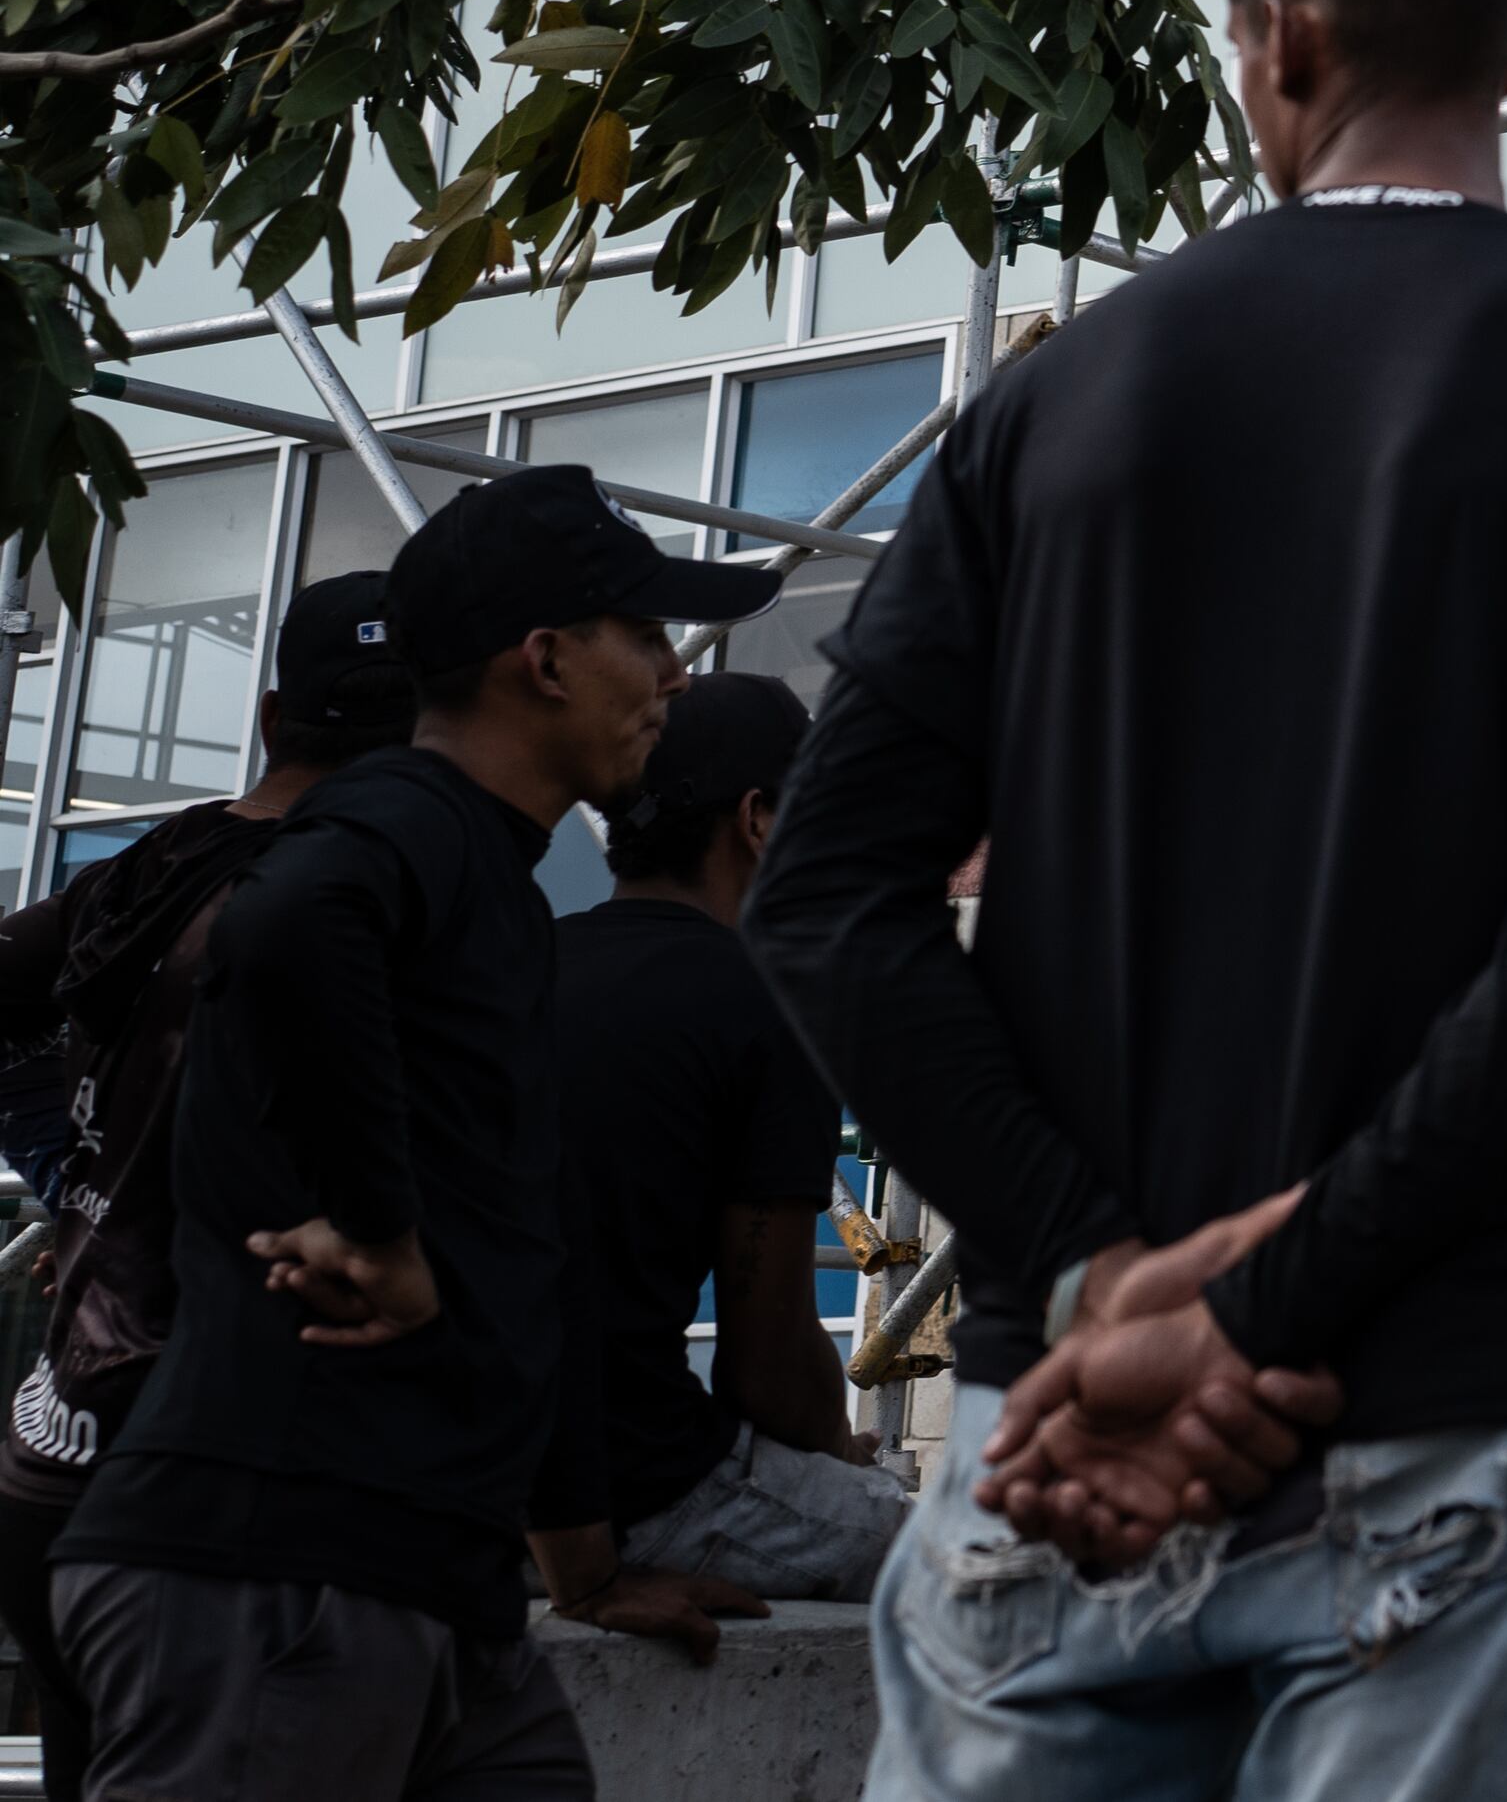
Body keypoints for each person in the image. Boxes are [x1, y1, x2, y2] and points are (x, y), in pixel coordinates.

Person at [742, 0, 1507, 1802]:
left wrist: (1104, 1277)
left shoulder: (1042, 408)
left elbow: (831, 895)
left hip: (1055, 1415)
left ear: (1278, 40)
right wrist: (1256, 1304)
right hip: (1460, 1411)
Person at [53, 469, 773, 1800]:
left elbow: (522, 1254)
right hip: (278, 1578)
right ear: (545, 660)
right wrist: (379, 1226)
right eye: (649, 637)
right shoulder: (407, 822)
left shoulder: (491, 878)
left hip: (431, 1595)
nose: (675, 677)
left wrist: (587, 1565)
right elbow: (284, 925)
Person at [0, 571, 422, 1798]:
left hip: (54, 1458)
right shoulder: (366, 902)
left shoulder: (159, 866)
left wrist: (78, 1174)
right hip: (204, 1496)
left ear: (276, 718)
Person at [531, 675, 911, 1615]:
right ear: (758, 821)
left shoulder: (527, 961)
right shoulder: (762, 1006)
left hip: (474, 1482)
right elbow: (769, 1367)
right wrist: (830, 1447)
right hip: (641, 1488)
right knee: (964, 1564)